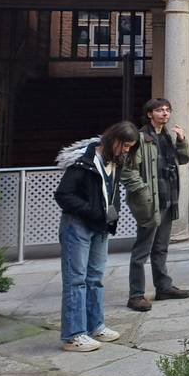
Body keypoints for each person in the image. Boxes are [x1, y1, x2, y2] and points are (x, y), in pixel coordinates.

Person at [55, 121, 138, 352]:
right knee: (76, 280)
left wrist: (111, 216)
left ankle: (95, 325)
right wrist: (91, 210)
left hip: (100, 227)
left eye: (130, 147)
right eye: (125, 146)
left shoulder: (115, 161)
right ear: (114, 140)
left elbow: (111, 193)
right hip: (78, 226)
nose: (126, 151)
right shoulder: (82, 161)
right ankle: (73, 335)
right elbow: (63, 195)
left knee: (95, 279)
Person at [122, 98, 189, 312]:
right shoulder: (141, 137)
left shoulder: (167, 136)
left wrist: (182, 140)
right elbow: (128, 170)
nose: (165, 114)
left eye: (167, 110)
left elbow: (183, 160)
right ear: (149, 113)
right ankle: (136, 295)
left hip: (168, 198)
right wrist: (143, 193)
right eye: (160, 110)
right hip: (151, 201)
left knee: (161, 247)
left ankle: (163, 287)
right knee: (142, 250)